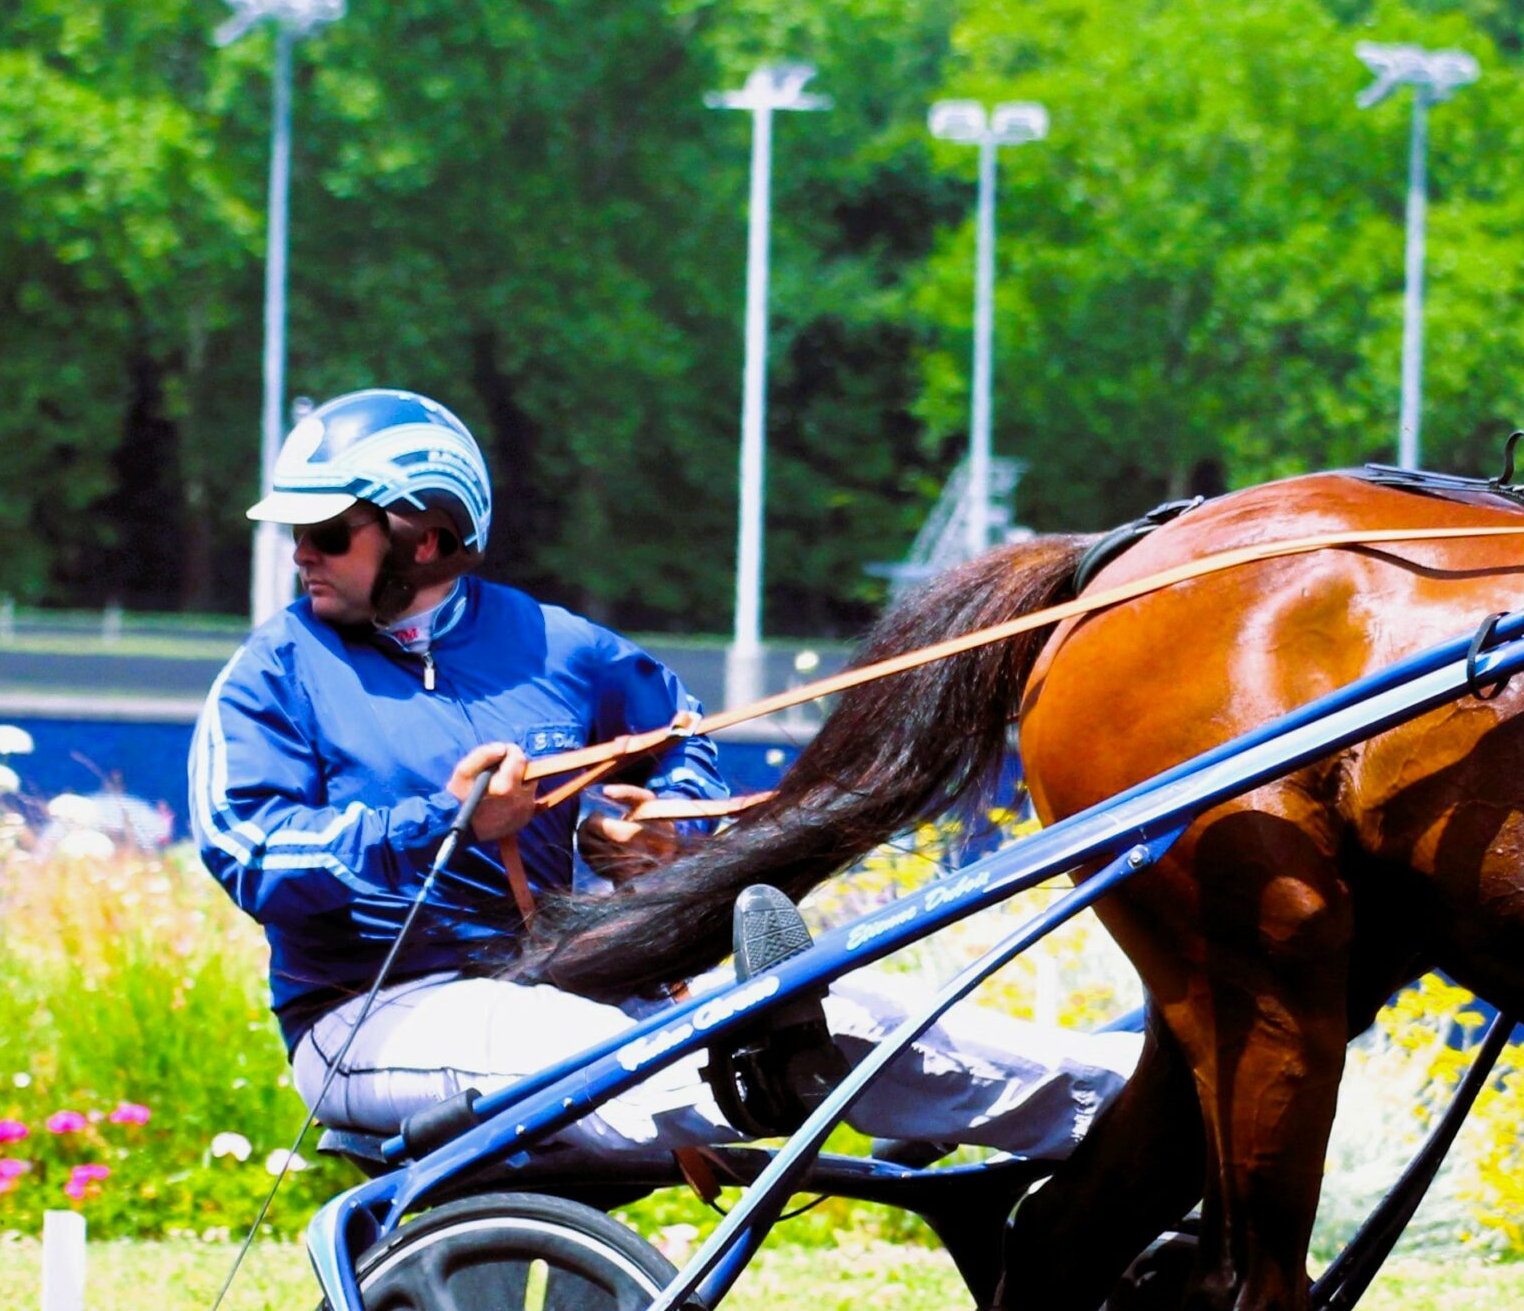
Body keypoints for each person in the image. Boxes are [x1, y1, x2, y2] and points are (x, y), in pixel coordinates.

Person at [190, 387, 1129, 1160]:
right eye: (297, 531)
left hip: (563, 983)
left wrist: (663, 821)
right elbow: (246, 851)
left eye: (325, 530)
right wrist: (443, 826)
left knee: (857, 1001)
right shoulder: (271, 675)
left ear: (425, 536)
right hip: (369, 1018)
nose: (300, 551)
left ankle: (1135, 1110)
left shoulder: (556, 645)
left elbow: (682, 731)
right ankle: (774, 1070)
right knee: (595, 1049)